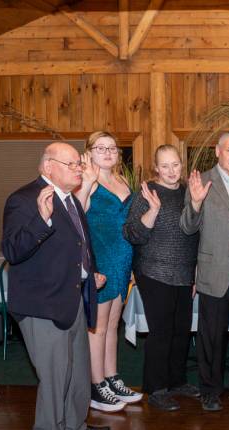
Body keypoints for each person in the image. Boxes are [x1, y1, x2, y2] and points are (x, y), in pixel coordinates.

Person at [2, 142, 110, 430]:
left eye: (79, 163)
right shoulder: (23, 200)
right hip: (41, 303)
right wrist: (42, 220)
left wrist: (91, 272)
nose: (79, 168)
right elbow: (12, 250)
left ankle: (73, 426)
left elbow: (77, 245)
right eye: (72, 163)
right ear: (49, 166)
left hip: (72, 296)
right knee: (54, 372)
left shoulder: (69, 200)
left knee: (76, 368)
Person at [180, 132, 229, 412]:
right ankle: (210, 390)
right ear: (217, 151)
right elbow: (187, 228)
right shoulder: (201, 181)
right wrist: (196, 202)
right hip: (215, 269)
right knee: (211, 334)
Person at [123, 145, 201, 411]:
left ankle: (177, 380)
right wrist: (153, 210)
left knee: (181, 331)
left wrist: (196, 271)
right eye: (165, 166)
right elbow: (133, 234)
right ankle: (156, 389)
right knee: (162, 332)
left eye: (175, 165)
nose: (171, 171)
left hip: (184, 272)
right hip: (153, 271)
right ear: (156, 168)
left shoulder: (189, 192)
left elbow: (196, 234)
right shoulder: (146, 194)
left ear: (182, 165)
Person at [75, 131, 142, 412]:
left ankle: (112, 377)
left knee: (113, 324)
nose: (107, 152)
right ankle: (96, 385)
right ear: (89, 151)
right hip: (100, 260)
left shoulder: (121, 179)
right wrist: (88, 182)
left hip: (122, 259)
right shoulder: (85, 181)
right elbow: (76, 213)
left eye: (112, 148)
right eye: (100, 147)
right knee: (97, 327)